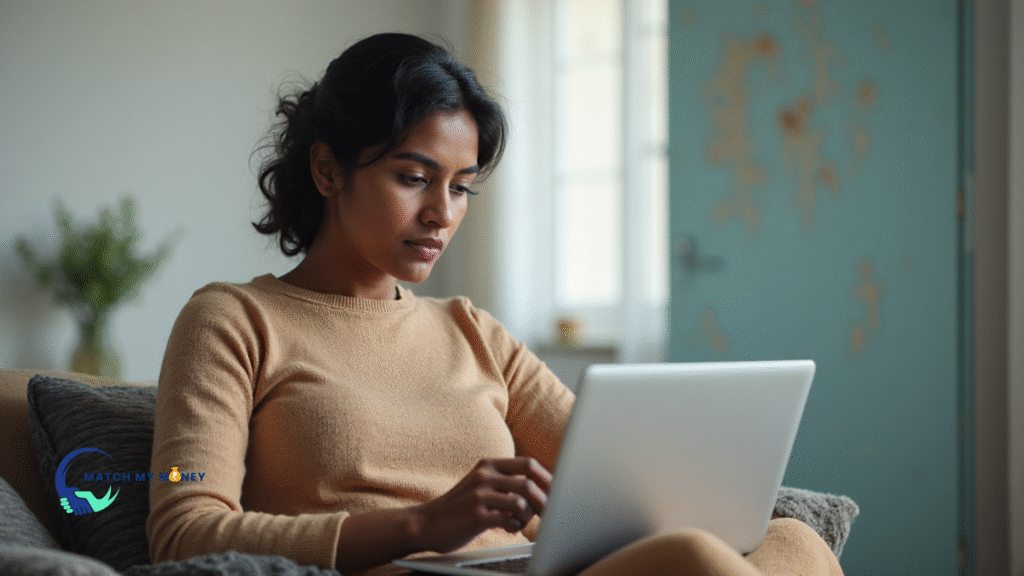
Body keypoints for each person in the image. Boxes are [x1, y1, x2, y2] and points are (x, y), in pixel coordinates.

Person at [147, 32, 843, 576]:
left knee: (794, 540)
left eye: (460, 187)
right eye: (414, 177)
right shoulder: (232, 320)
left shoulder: (470, 330)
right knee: (693, 562)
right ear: (328, 168)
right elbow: (186, 532)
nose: (440, 214)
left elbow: (616, 476)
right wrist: (423, 525)